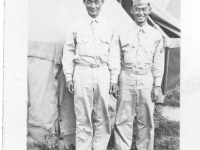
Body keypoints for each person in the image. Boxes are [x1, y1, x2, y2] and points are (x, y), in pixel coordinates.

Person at [62, 0, 120, 149]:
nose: (93, 6)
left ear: (102, 3)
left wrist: (114, 79)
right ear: (84, 3)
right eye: (89, 2)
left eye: (96, 2)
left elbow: (113, 53)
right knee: (83, 116)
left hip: (102, 72)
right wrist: (68, 77)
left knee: (103, 115)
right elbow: (68, 51)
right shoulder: (76, 24)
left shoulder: (109, 25)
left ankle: (100, 147)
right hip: (82, 72)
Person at [113, 0, 164, 150]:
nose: (140, 13)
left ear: (149, 10)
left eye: (143, 9)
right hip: (126, 77)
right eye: (137, 9)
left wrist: (157, 85)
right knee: (123, 118)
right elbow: (116, 59)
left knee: (146, 119)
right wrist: (115, 81)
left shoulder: (156, 35)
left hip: (146, 79)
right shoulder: (123, 34)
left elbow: (158, 62)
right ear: (132, 11)